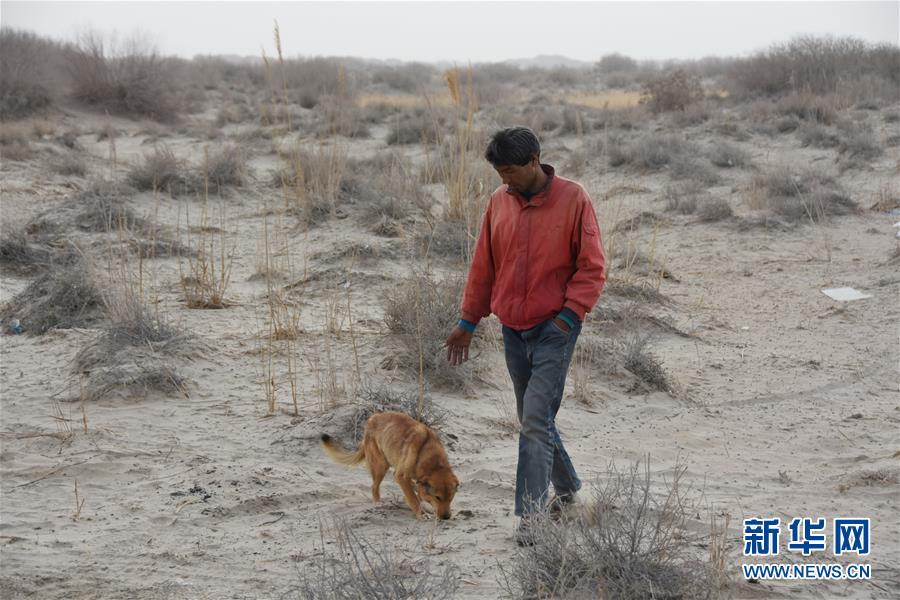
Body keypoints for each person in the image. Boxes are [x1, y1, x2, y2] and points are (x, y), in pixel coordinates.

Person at [445, 126, 606, 545]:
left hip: (556, 329)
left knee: (535, 419)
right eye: (500, 173)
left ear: (534, 161)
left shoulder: (574, 199)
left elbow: (592, 267)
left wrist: (568, 318)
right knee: (533, 418)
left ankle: (532, 518)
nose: (505, 181)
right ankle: (570, 492)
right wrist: (468, 321)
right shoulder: (499, 202)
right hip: (512, 331)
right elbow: (485, 265)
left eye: (511, 172)